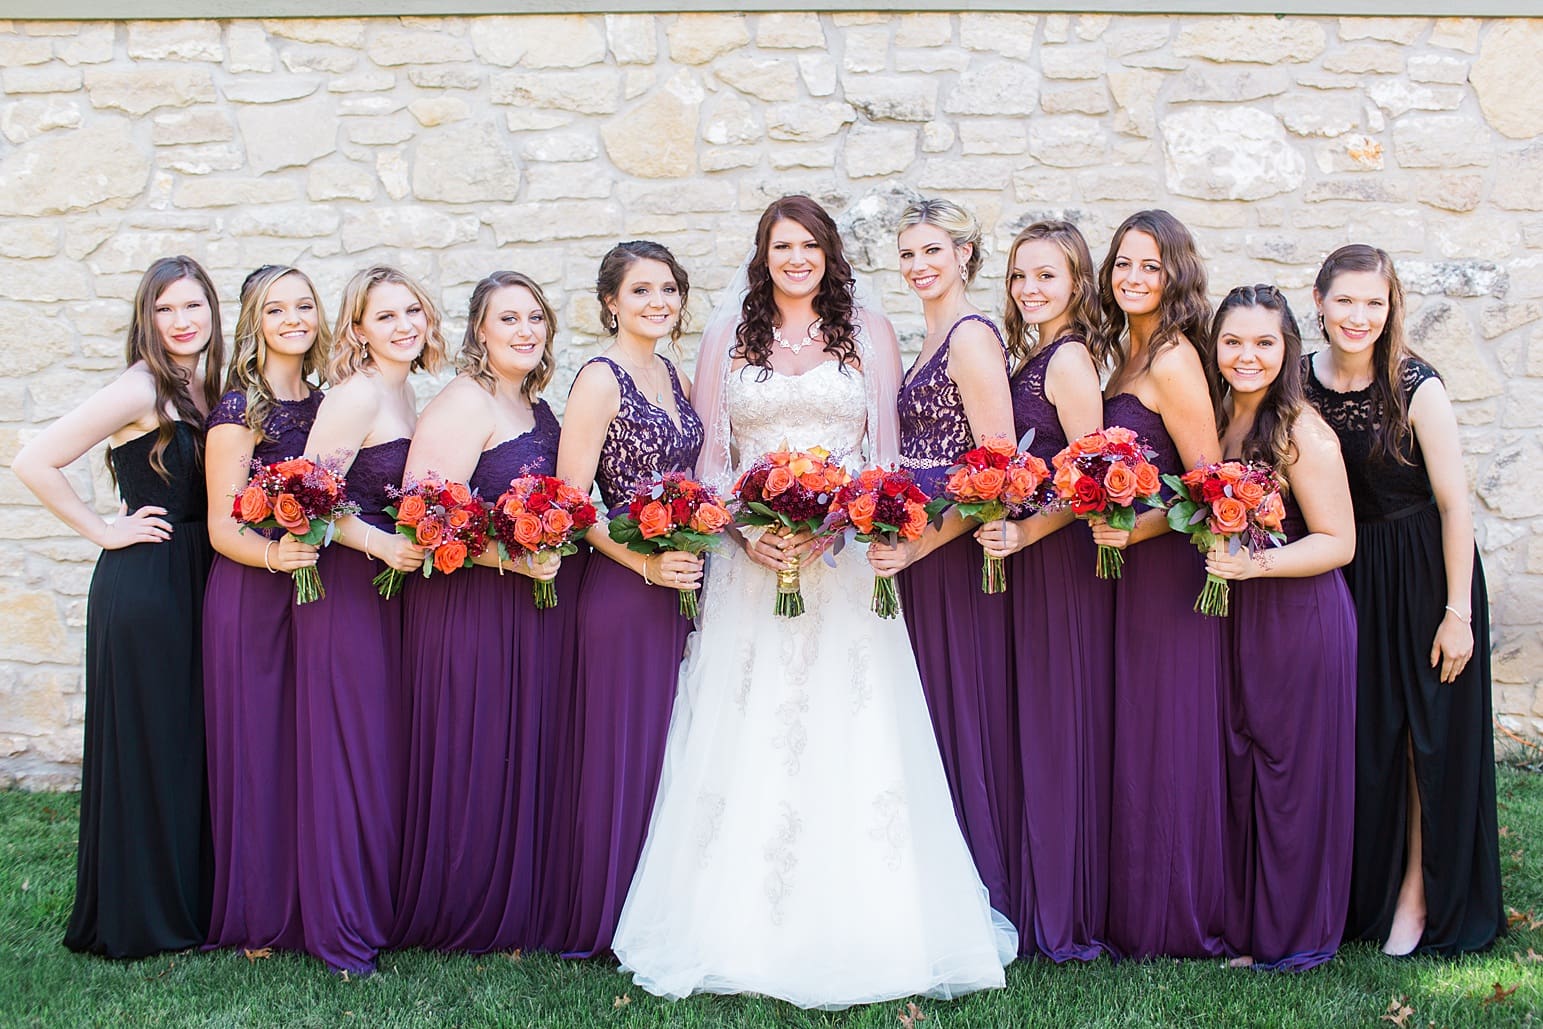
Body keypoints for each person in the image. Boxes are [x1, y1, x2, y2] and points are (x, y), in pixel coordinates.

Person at [612, 195, 1015, 1008]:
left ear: (829, 252)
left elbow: (883, 455)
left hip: (845, 564)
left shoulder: (867, 331)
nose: (795, 257)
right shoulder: (729, 336)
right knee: (748, 721)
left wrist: (847, 521)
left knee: (850, 721)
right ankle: (731, 924)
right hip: (752, 564)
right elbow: (710, 462)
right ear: (761, 255)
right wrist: (743, 535)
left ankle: (872, 918)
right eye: (780, 245)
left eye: (809, 244)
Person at [12, 255, 224, 957]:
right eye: (166, 309)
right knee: (153, 747)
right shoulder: (140, 386)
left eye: (193, 305)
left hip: (199, 576)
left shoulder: (207, 386)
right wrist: (104, 529)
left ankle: (192, 901)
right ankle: (145, 916)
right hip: (148, 586)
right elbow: (34, 460)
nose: (182, 320)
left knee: (189, 747)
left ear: (213, 311)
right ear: (147, 318)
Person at [1302, 244, 1504, 956]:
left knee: (1425, 738)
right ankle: (1368, 888)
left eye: (1373, 303)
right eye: (1345, 300)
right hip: (1349, 574)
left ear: (1390, 310)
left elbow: (1454, 506)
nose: (1358, 316)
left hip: (1422, 572)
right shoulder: (1299, 382)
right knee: (1368, 738)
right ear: (1319, 301)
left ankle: (1419, 898)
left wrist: (1458, 613)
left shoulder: (1415, 385)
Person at [393, 271, 575, 954]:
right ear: (480, 331)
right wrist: (512, 558)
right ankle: (464, 903)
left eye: (535, 317)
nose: (526, 331)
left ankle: (520, 899)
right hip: (469, 606)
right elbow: (425, 517)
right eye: (509, 319)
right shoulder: (464, 404)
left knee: (519, 746)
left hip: (527, 605)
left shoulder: (532, 402)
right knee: (474, 750)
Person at [544, 242, 705, 957]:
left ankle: (663, 904)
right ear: (610, 301)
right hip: (624, 589)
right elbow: (572, 504)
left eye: (667, 290)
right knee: (625, 751)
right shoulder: (600, 379)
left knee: (672, 749)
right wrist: (645, 565)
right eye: (640, 291)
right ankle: (609, 914)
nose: (657, 303)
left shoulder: (670, 372)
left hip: (682, 582)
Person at [867, 197, 1017, 916]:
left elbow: (996, 471)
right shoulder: (927, 337)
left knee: (960, 712)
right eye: (908, 254)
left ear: (964, 253)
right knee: (925, 716)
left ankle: (981, 881)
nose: (919, 265)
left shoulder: (969, 338)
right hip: (916, 552)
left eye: (933, 250)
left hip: (951, 557)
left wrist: (924, 541)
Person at [293, 265, 444, 974]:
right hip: (347, 588)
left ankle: (378, 905)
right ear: (357, 329)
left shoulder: (406, 388)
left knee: (381, 749)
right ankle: (340, 925)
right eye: (385, 317)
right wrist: (381, 540)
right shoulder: (356, 395)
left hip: (392, 590)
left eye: (412, 310)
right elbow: (307, 499)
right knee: (347, 752)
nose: (404, 325)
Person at [1203, 285, 1357, 971]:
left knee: (1292, 777)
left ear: (1287, 347)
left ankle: (1296, 936)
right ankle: (1246, 925)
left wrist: (1256, 566)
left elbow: (1337, 541)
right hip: (1238, 616)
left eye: (1264, 342)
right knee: (1243, 767)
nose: (1246, 355)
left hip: (1298, 618)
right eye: (1232, 340)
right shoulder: (1220, 419)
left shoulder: (1300, 430)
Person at [976, 220, 1113, 961]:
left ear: (1075, 283)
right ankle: (1031, 898)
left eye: (1046, 276)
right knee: (1030, 725)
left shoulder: (1067, 362)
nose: (1029, 288)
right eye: (1019, 276)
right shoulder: (1033, 351)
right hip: (1024, 562)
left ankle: (1062, 909)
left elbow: (1090, 483)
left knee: (1057, 727)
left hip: (1057, 565)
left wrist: (1027, 532)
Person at [1096, 210, 1225, 959]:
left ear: (1174, 271)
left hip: (1166, 570)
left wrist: (1138, 528)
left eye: (1148, 265)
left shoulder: (1172, 357)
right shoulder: (1123, 353)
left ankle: (1172, 914)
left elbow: (1207, 484)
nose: (1133, 278)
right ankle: (1131, 901)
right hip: (1124, 570)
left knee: (1164, 735)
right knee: (1133, 733)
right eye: (1122, 264)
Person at [202, 264, 327, 954]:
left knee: (301, 749)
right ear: (255, 321)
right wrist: (277, 556)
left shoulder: (325, 400)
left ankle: (307, 895)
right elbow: (225, 527)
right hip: (252, 594)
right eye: (275, 309)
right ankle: (257, 912)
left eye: (303, 305)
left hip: (308, 595)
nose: (292, 319)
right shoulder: (238, 410)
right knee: (258, 748)